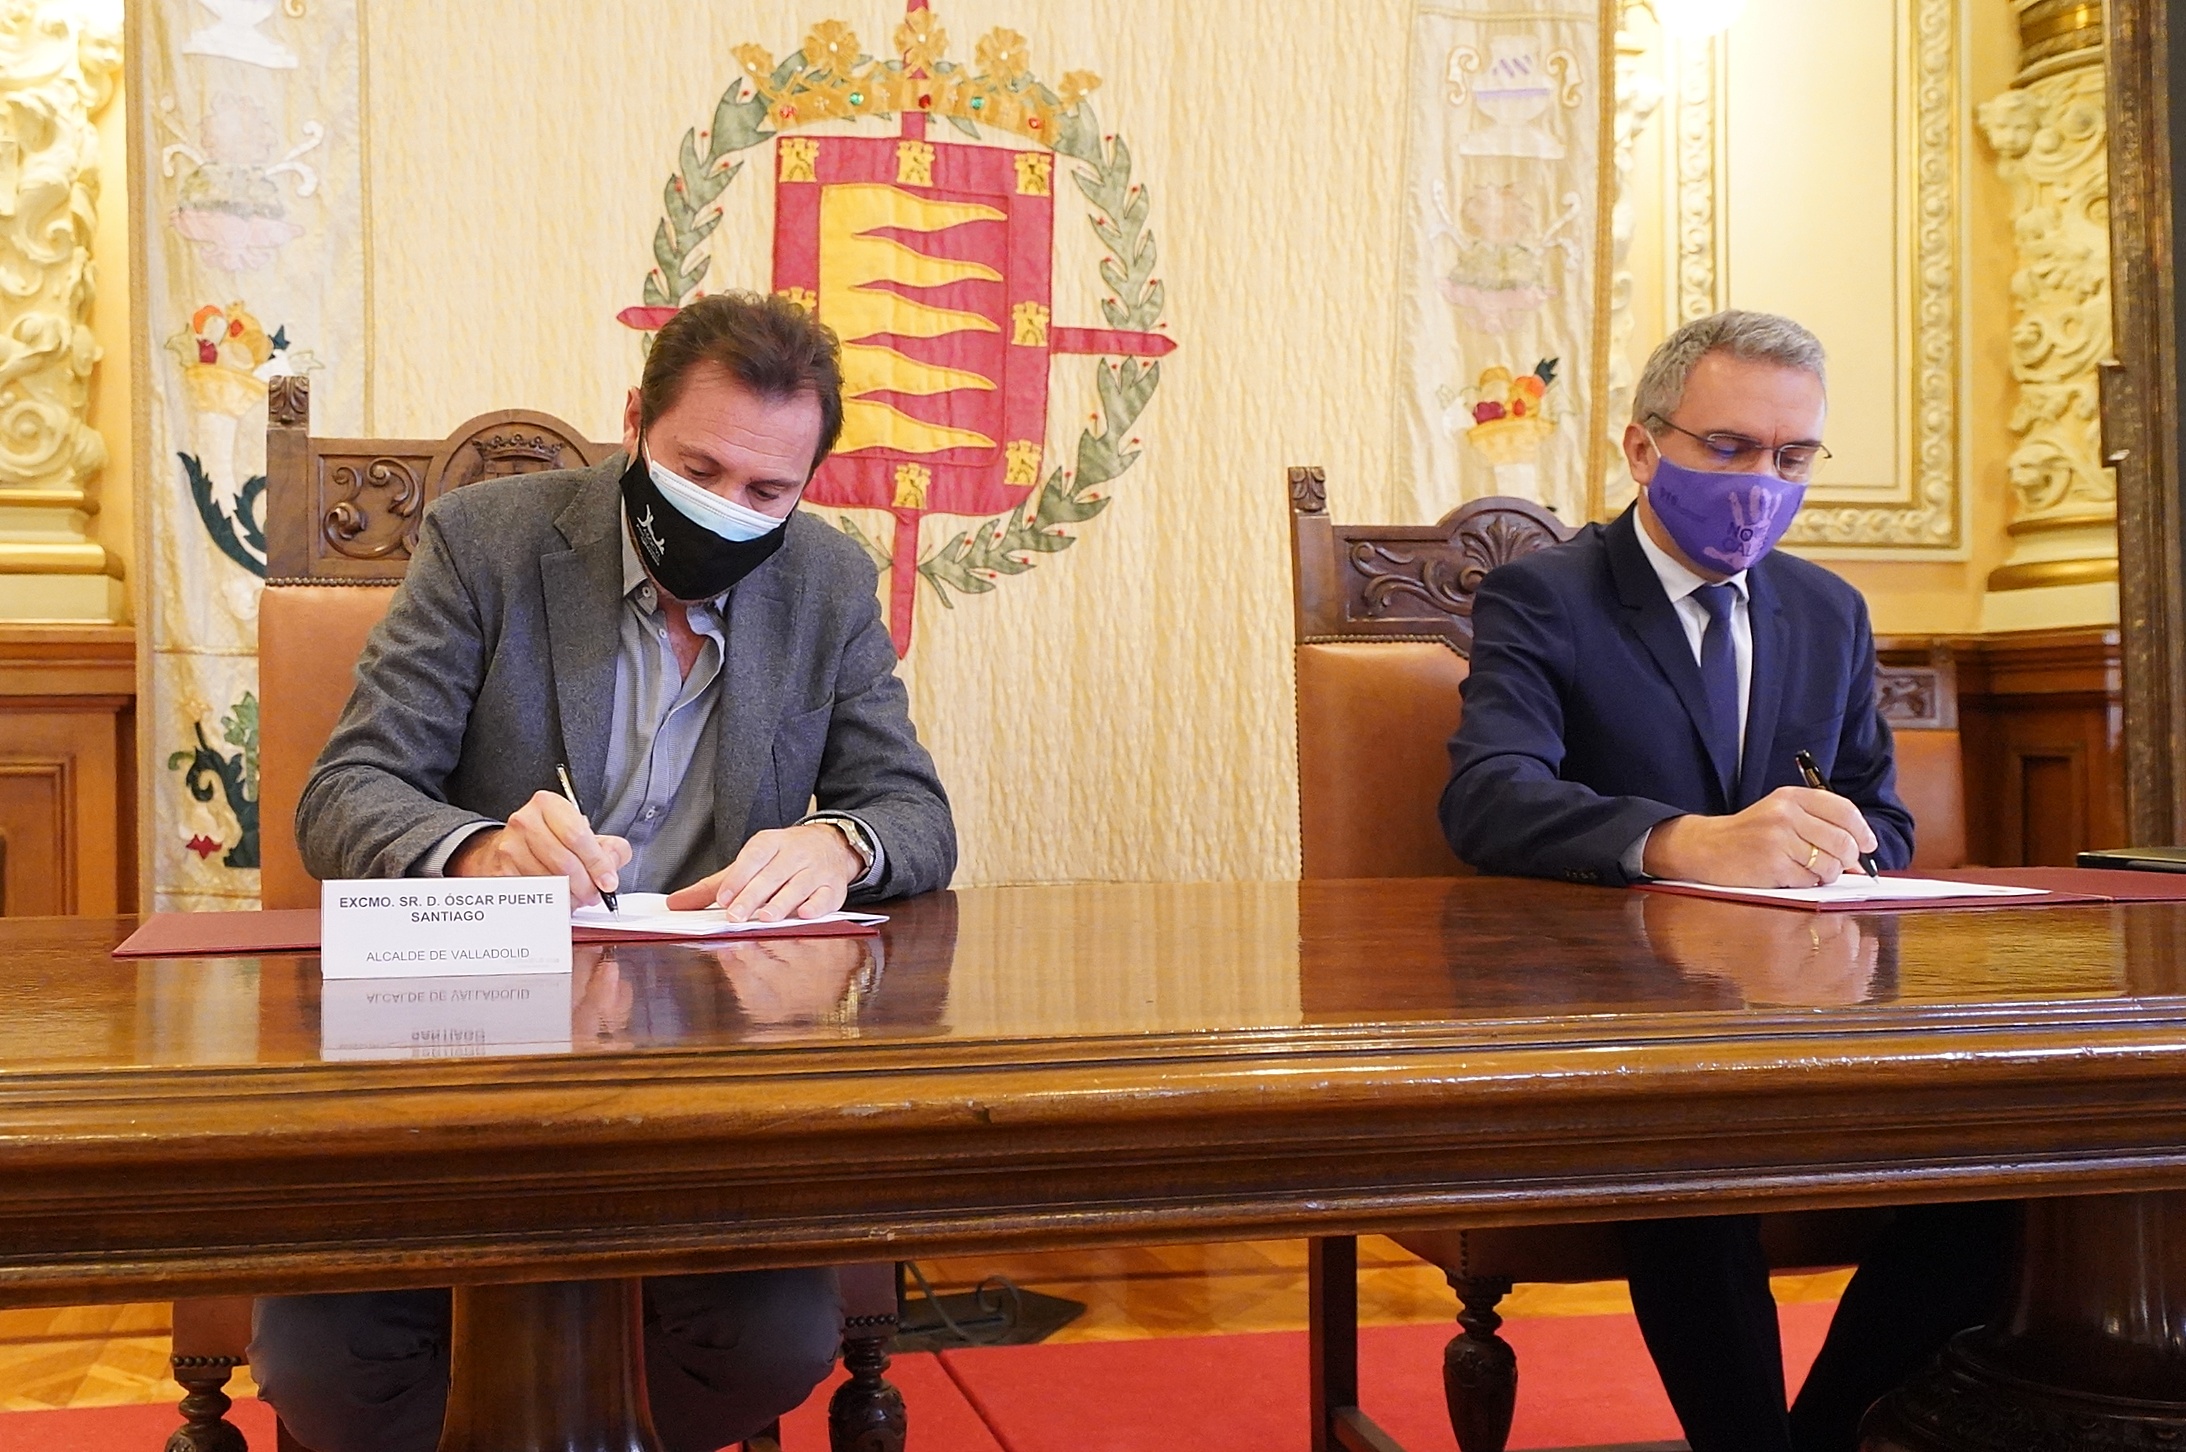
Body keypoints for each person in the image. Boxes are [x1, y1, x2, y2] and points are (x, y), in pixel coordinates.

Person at [255, 291, 956, 1452]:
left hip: (707, 1084)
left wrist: (837, 842)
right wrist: (477, 850)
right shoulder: (488, 542)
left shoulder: (826, 585)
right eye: (699, 469)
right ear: (634, 422)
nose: (729, 509)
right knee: (330, 1369)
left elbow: (913, 812)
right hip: (463, 1062)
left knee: (768, 1345)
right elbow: (343, 797)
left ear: (807, 484)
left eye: (767, 491)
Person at [1439, 310, 2009, 1452]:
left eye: (1792, 457)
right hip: (1624, 1029)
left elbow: (1885, 817)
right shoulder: (1547, 596)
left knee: (2011, 1166)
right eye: (1731, 447)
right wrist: (1681, 842)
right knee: (1691, 1168)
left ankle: (1825, 1432)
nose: (1762, 482)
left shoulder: (1827, 611)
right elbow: (1487, 797)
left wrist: (1844, 845)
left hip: (1813, 1016)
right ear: (1643, 448)